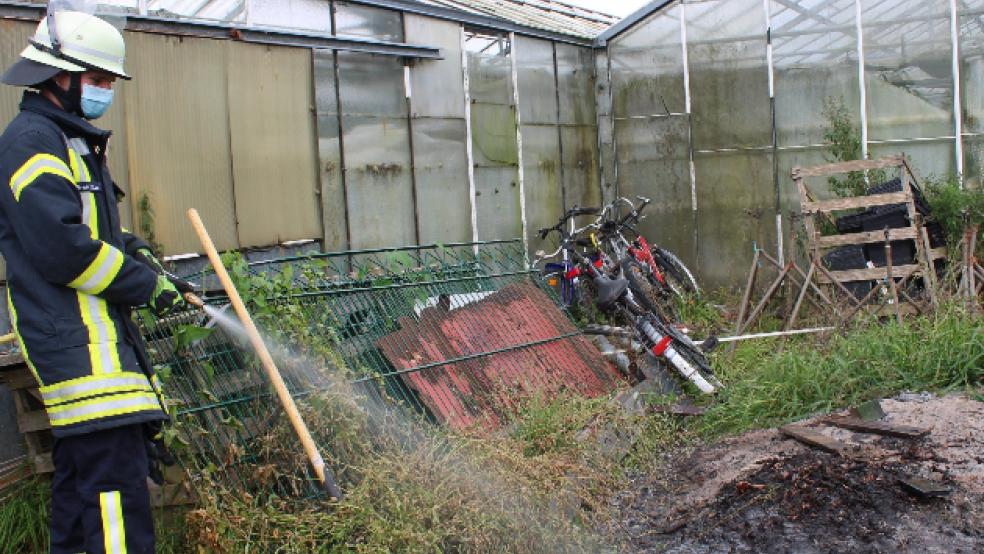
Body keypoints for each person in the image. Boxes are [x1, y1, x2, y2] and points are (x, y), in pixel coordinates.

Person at [0, 8, 190, 553]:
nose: (108, 91)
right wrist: (143, 287)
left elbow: (101, 234)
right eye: (101, 79)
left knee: (82, 503)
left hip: (100, 354)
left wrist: (145, 261)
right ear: (60, 75)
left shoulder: (70, 140)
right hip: (84, 359)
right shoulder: (32, 142)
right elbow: (63, 250)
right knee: (115, 507)